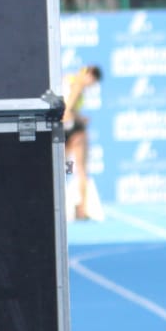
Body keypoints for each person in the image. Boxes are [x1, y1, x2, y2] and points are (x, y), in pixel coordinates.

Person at [62, 64, 101, 220]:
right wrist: (81, 119)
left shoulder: (67, 78)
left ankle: (67, 205)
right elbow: (67, 111)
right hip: (74, 130)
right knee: (80, 169)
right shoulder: (78, 84)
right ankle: (82, 209)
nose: (91, 85)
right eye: (93, 81)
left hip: (63, 129)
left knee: (66, 169)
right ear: (89, 75)